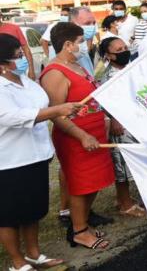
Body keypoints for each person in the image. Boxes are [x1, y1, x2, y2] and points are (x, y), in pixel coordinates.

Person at [0, 34, 80, 269]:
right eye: (17, 54)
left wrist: (60, 111)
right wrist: (56, 111)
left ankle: (34, 253)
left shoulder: (24, 80)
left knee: (32, 209)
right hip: (9, 160)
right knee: (8, 214)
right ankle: (17, 261)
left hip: (36, 154)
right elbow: (9, 117)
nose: (24, 57)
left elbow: (43, 105)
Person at [40, 22, 115, 250]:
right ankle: (79, 231)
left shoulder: (77, 65)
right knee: (81, 184)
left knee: (95, 182)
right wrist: (82, 135)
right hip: (75, 137)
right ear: (68, 44)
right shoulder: (54, 72)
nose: (84, 45)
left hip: (94, 132)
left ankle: (81, 225)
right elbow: (57, 114)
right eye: (81, 42)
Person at [98, 37, 146, 219]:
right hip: (121, 125)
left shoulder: (131, 68)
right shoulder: (107, 75)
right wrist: (114, 120)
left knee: (134, 161)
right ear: (109, 56)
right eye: (118, 50)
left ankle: (123, 198)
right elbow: (104, 101)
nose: (124, 51)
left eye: (125, 47)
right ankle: (125, 204)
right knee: (122, 165)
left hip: (136, 121)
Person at [69, 7, 98, 76]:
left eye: (94, 23)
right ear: (72, 24)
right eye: (87, 23)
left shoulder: (82, 45)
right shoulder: (65, 50)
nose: (92, 26)